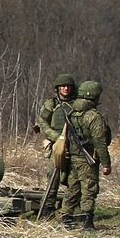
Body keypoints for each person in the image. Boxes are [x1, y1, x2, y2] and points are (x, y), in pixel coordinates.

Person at [63, 80, 113, 230]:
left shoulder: (72, 113)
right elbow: (100, 142)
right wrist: (106, 164)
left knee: (73, 187)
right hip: (87, 158)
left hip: (73, 157)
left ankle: (66, 216)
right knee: (89, 188)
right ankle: (88, 221)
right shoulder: (93, 116)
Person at [34, 73, 77, 215]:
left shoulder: (77, 104)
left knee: (73, 178)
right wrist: (56, 137)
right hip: (56, 145)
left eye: (68, 86)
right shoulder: (51, 104)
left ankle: (68, 209)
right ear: (58, 88)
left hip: (74, 145)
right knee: (53, 177)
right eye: (63, 86)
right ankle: (47, 208)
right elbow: (42, 123)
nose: (66, 89)